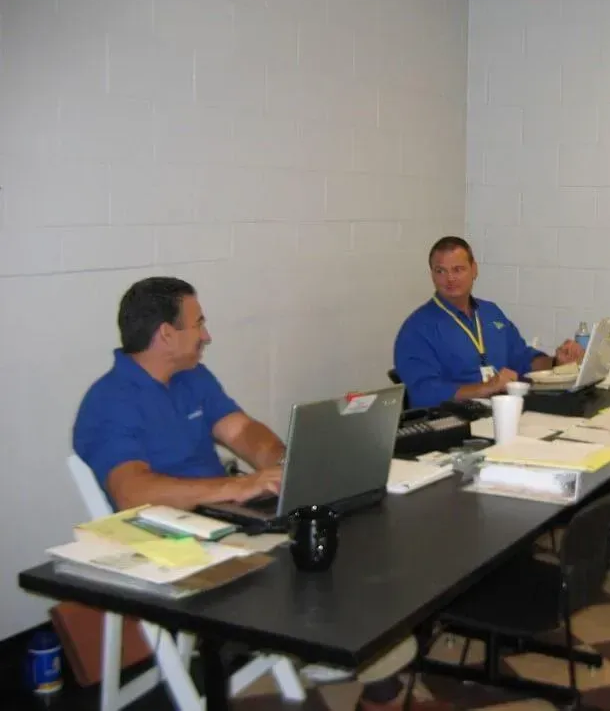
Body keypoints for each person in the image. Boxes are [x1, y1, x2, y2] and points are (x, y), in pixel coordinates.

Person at [72, 277, 448, 711]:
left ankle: (346, 658)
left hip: (225, 513)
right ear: (166, 334)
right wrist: (237, 485)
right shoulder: (108, 402)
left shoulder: (192, 377)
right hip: (175, 535)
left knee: (352, 529)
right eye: (199, 324)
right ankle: (367, 679)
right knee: (315, 561)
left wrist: (284, 464)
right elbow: (131, 491)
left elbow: (242, 430)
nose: (207, 335)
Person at [394, 236, 586, 408]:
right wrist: (485, 388)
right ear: (432, 275)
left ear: (474, 270)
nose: (450, 278)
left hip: (505, 409)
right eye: (440, 271)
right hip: (456, 420)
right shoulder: (417, 329)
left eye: (458, 269)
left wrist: (556, 362)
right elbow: (424, 393)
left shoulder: (490, 313)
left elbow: (522, 359)